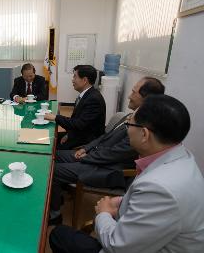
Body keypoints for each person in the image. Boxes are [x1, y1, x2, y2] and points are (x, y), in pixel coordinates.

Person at [50, 95, 204, 253]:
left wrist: (103, 213)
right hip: (138, 236)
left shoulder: (160, 188)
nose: (127, 128)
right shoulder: (180, 156)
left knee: (58, 235)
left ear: (144, 134)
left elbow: (117, 246)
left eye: (130, 123)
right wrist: (124, 202)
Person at [49, 77, 165, 225]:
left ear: (146, 98)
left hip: (109, 169)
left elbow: (116, 153)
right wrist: (86, 148)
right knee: (53, 156)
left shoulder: (143, 127)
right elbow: (104, 136)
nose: (129, 95)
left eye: (133, 92)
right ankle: (56, 196)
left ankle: (55, 214)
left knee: (53, 170)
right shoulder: (131, 115)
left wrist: (87, 156)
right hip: (96, 156)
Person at [45, 65, 106, 149]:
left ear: (84, 80)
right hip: (78, 134)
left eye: (75, 77)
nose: (72, 80)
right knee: (48, 137)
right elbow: (78, 123)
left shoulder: (93, 99)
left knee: (48, 146)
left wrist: (55, 117)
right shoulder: (87, 95)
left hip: (85, 142)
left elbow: (78, 124)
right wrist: (69, 134)